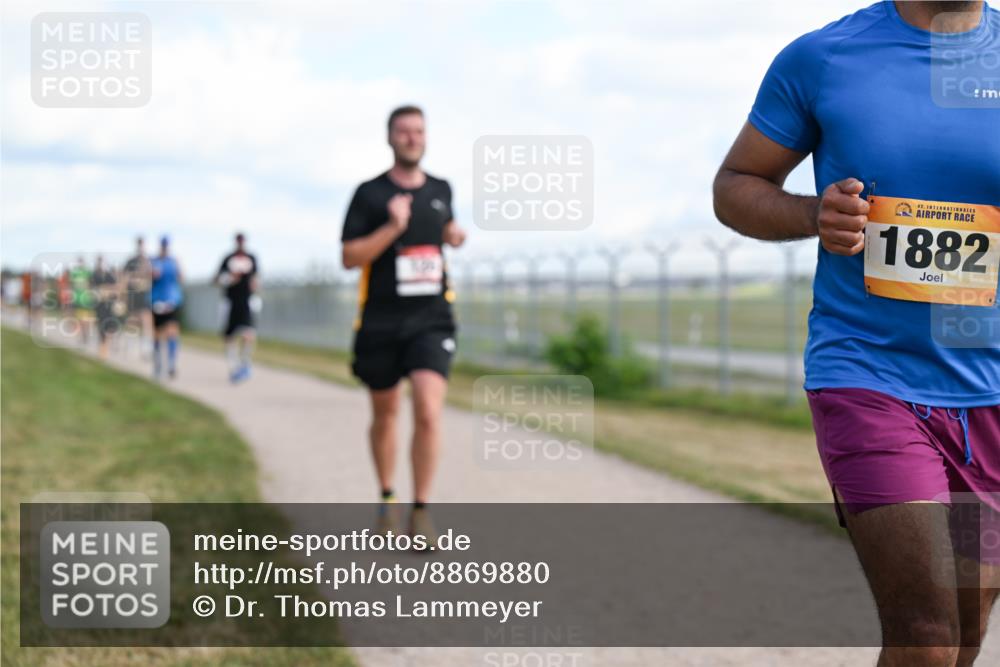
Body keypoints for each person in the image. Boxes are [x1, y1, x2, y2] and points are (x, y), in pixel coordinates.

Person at [713, 2, 999, 665]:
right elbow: (736, 184)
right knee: (926, 638)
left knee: (964, 631)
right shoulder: (824, 58)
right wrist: (816, 213)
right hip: (869, 374)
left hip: (989, 387)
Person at [341, 105, 466, 545]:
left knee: (429, 411)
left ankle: (422, 511)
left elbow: (444, 229)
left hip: (431, 319)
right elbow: (349, 257)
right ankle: (387, 497)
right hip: (381, 321)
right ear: (390, 137)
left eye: (419, 130)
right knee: (386, 413)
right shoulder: (370, 194)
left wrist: (453, 234)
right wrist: (393, 227)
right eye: (403, 131)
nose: (412, 138)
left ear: (426, 136)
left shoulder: (441, 189)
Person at [214, 232, 259, 383]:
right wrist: (228, 279)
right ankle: (233, 367)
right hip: (230, 301)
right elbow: (216, 279)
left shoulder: (252, 258)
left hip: (246, 301)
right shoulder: (227, 259)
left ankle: (245, 364)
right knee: (229, 336)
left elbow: (256, 278)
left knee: (248, 334)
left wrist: (255, 286)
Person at [149, 236, 184, 380]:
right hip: (156, 300)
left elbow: (181, 278)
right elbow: (146, 278)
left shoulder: (173, 261)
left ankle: (171, 364)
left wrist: (179, 269)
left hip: (171, 301)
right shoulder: (153, 261)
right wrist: (151, 275)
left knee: (172, 332)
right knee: (157, 334)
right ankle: (158, 364)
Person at [122, 237, 153, 359]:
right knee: (132, 320)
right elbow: (124, 278)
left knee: (146, 321)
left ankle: (146, 349)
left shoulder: (149, 261)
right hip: (133, 295)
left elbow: (152, 278)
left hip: (144, 295)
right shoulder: (130, 262)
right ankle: (130, 345)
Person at [91, 255, 123, 359]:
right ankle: (103, 348)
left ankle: (106, 346)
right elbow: (91, 289)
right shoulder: (94, 275)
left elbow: (117, 288)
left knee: (109, 326)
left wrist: (105, 289)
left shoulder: (109, 276)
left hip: (109, 305)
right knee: (100, 327)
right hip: (99, 306)